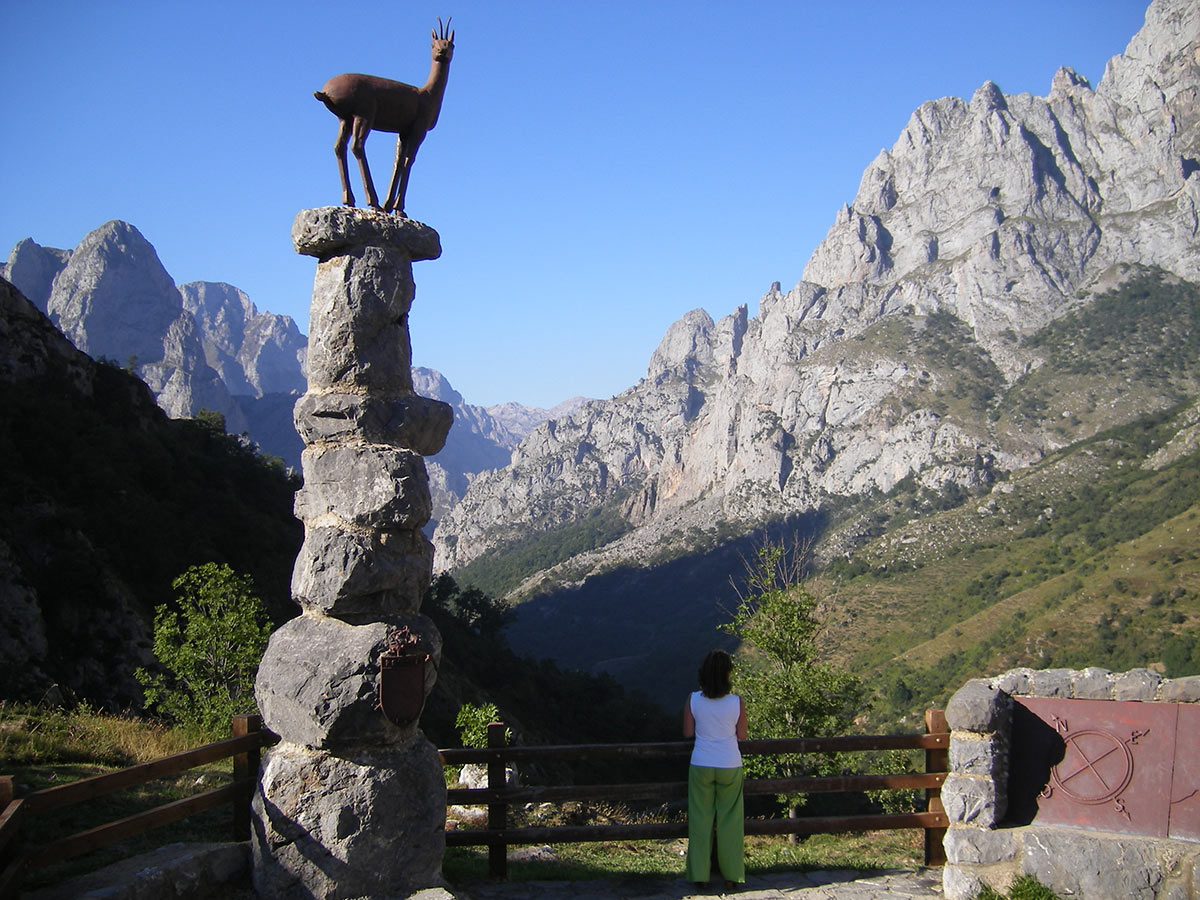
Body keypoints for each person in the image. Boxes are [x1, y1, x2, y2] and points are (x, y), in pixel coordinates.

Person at [683, 648, 747, 890]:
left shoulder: (693, 699)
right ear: (727, 675)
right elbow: (742, 735)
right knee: (730, 821)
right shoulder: (736, 703)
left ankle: (700, 875)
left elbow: (688, 732)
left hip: (701, 763)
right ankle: (732, 875)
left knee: (701, 819)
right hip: (730, 764)